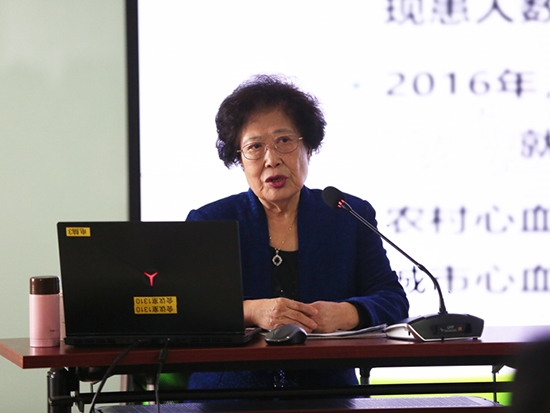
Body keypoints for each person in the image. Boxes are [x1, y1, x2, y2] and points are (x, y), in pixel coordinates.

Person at [185, 74, 409, 389]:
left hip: (328, 394)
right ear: (239, 159)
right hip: (227, 396)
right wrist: (252, 311)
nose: (272, 159)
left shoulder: (346, 215)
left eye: (284, 141)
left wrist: (345, 314)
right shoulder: (211, 222)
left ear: (309, 147)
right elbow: (188, 310)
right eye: (255, 147)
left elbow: (392, 299)